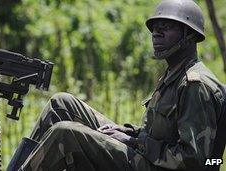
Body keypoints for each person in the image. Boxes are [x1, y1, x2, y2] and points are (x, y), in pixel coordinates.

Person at [16, 0, 225, 170]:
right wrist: (130, 132)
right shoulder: (175, 72)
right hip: (145, 157)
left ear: (190, 36)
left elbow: (194, 161)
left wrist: (134, 142)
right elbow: (161, 135)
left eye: (167, 27)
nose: (156, 33)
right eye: (154, 28)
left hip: (152, 166)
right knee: (61, 103)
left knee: (65, 132)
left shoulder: (195, 85)